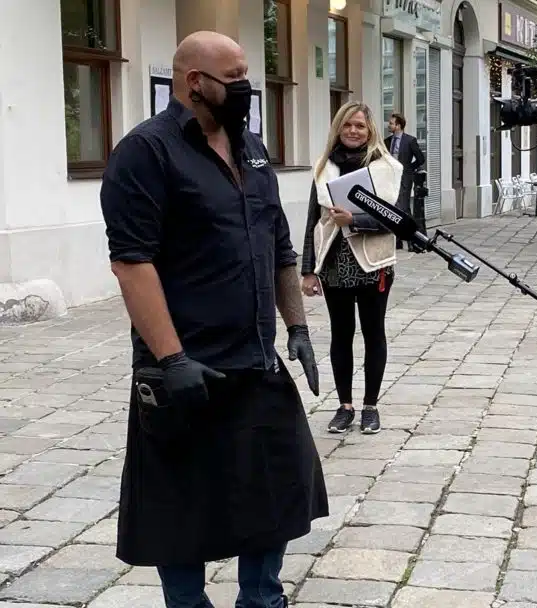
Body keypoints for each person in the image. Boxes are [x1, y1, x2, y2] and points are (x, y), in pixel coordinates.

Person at [100, 31, 328, 608]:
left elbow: (279, 246)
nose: (246, 87)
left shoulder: (252, 149)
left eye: (247, 74)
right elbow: (132, 264)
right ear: (193, 83)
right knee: (180, 512)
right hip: (186, 368)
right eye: (234, 77)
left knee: (276, 497)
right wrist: (171, 358)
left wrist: (296, 328)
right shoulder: (145, 153)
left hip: (255, 361)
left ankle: (262, 600)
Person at [300, 101, 402, 435]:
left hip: (373, 263)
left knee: (374, 334)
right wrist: (307, 269)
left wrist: (354, 219)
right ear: (338, 129)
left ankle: (370, 406)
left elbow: (396, 220)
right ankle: (344, 406)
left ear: (370, 129)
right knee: (340, 335)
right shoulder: (323, 167)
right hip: (333, 261)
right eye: (347, 125)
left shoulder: (386, 166)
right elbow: (313, 220)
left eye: (359, 125)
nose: (353, 131)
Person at [385, 112, 425, 248]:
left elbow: (421, 159)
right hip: (390, 178)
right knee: (393, 206)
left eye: (391, 123)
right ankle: (397, 241)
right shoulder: (387, 141)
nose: (388, 125)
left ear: (398, 125)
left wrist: (407, 168)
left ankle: (414, 239)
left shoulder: (410, 141)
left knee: (404, 207)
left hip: (404, 178)